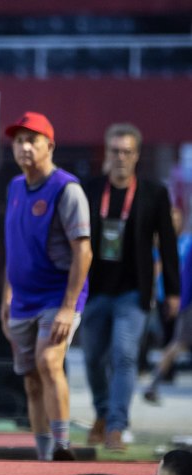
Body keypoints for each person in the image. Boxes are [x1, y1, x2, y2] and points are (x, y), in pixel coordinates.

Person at [0, 112, 92, 461]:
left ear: (49, 146)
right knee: (31, 380)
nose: (23, 147)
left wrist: (69, 307)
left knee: (49, 361)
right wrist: (7, 295)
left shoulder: (67, 190)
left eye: (32, 140)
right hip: (22, 299)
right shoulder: (15, 187)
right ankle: (44, 457)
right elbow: (15, 244)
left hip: (57, 296)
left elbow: (84, 250)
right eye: (19, 140)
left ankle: (63, 446)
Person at [81, 123, 180, 451]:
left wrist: (174, 292)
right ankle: (102, 412)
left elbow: (167, 244)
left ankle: (116, 426)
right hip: (93, 289)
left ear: (137, 155)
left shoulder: (154, 193)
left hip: (133, 292)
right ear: (106, 154)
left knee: (124, 356)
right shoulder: (90, 190)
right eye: (114, 151)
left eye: (126, 152)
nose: (120, 157)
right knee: (93, 358)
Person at [144, 232, 192, 403]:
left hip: (184, 303)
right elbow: (186, 277)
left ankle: (153, 384)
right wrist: (183, 304)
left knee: (176, 345)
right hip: (187, 306)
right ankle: (153, 383)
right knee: (177, 344)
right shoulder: (189, 243)